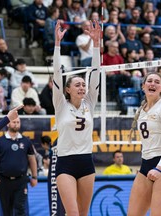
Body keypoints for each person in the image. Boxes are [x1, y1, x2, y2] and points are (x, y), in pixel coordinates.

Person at [53, 19, 100, 215]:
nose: (82, 87)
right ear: (67, 89)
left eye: (83, 84)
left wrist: (96, 46)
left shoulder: (89, 103)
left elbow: (96, 74)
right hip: (65, 162)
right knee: (72, 213)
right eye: (77, 85)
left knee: (83, 213)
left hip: (86, 162)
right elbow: (57, 72)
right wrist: (57, 45)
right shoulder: (61, 105)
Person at [127, 72, 161, 216]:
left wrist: (159, 168)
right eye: (149, 81)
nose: (153, 84)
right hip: (146, 164)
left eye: (157, 82)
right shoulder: (142, 109)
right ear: (143, 86)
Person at [0, 117, 38, 216]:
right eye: (14, 122)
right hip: (4, 180)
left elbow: (32, 159)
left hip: (21, 180)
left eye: (18, 122)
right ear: (8, 124)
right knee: (6, 210)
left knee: (20, 208)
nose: (16, 124)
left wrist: (34, 176)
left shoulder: (26, 141)